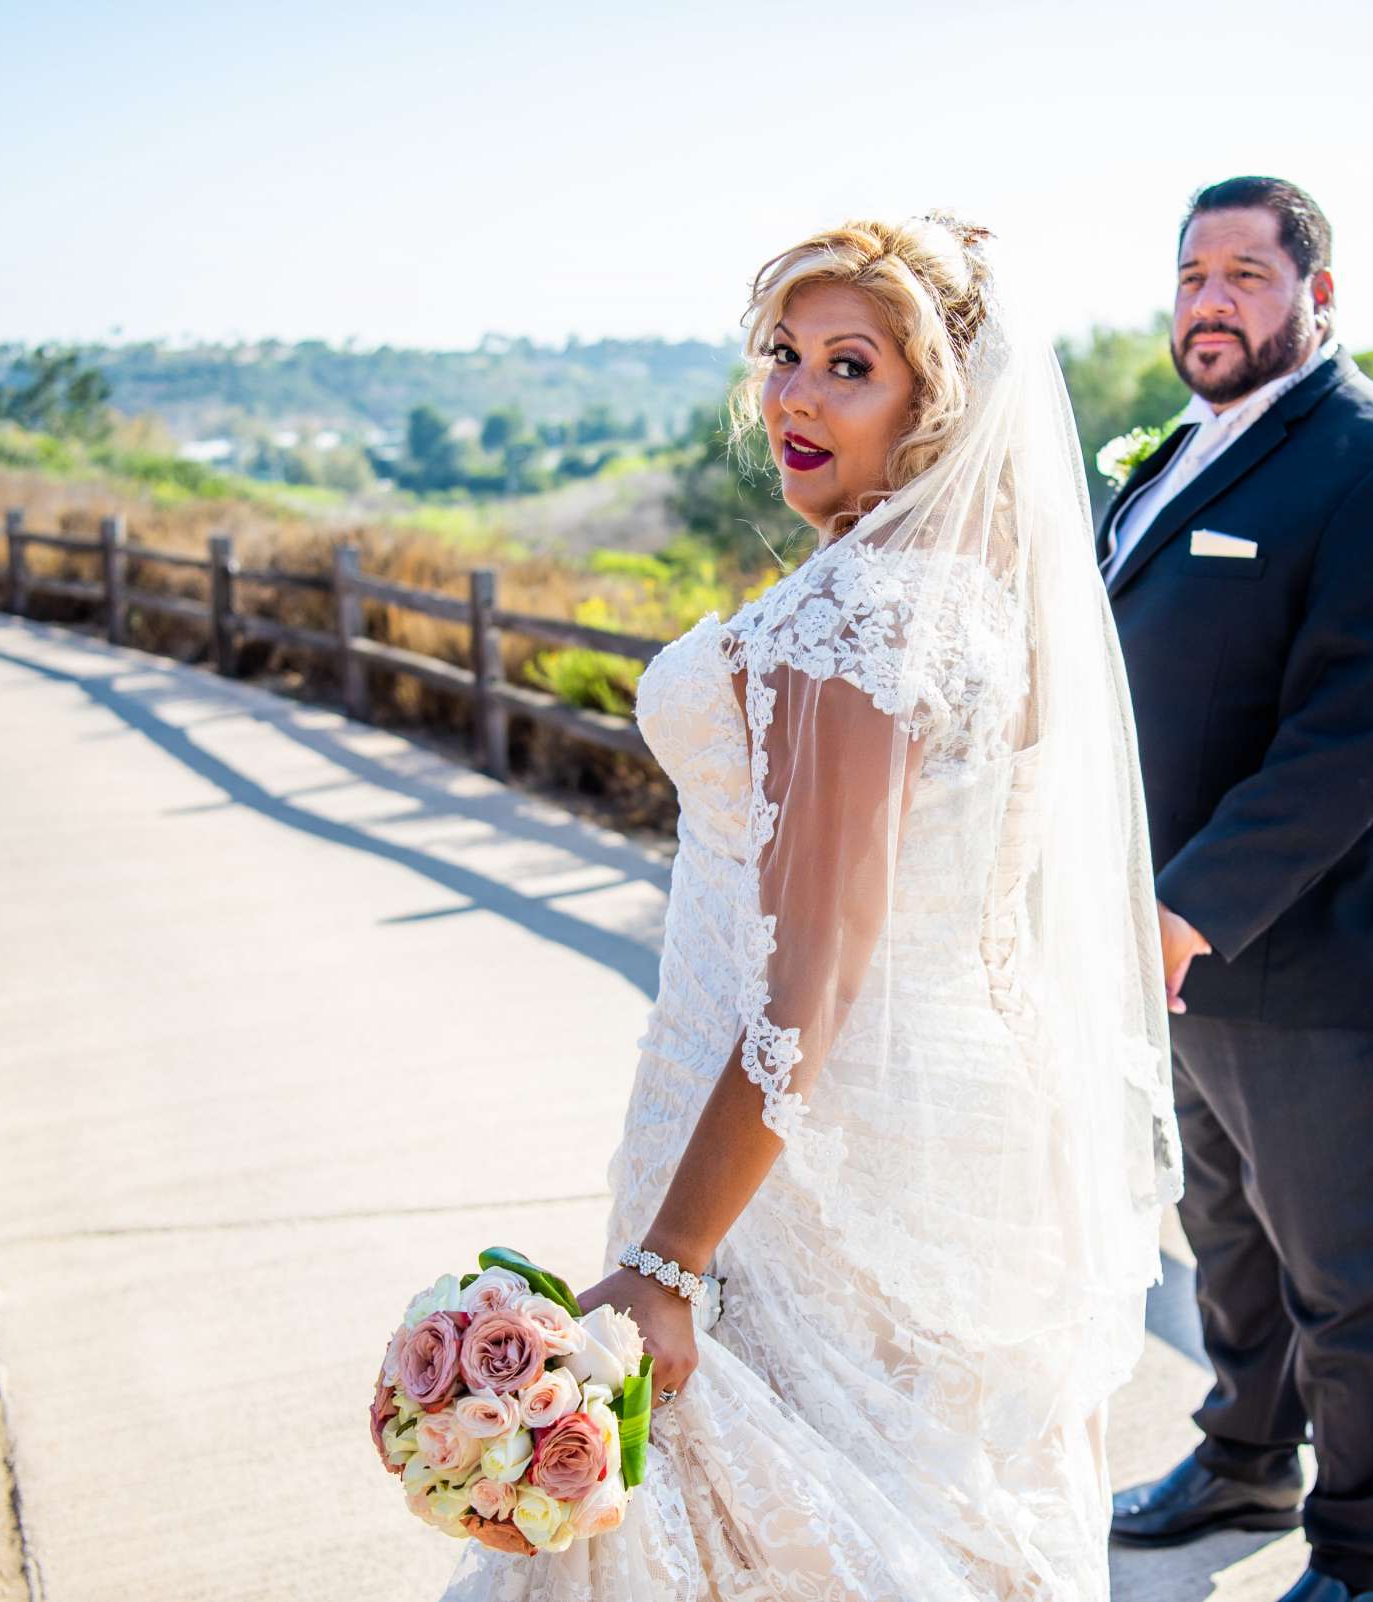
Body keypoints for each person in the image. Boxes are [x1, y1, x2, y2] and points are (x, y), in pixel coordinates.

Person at [438, 215, 1180, 1601]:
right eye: (785, 353)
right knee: (919, 1495)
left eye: (852, 365)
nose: (795, 394)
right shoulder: (980, 597)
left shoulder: (859, 617)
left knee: (783, 1512)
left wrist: (671, 1258)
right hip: (959, 1118)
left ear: (933, 406)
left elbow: (813, 983)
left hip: (812, 1156)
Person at [1100, 177, 1373, 1602]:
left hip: (1332, 963)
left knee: (1361, 1275)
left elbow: (1354, 738)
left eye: (1247, 275)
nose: (1211, 298)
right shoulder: (1181, 450)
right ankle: (1244, 1454)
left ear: (1319, 298)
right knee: (1231, 1239)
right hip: (1181, 959)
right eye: (1192, 273)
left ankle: (1363, 1547)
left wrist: (1187, 907)